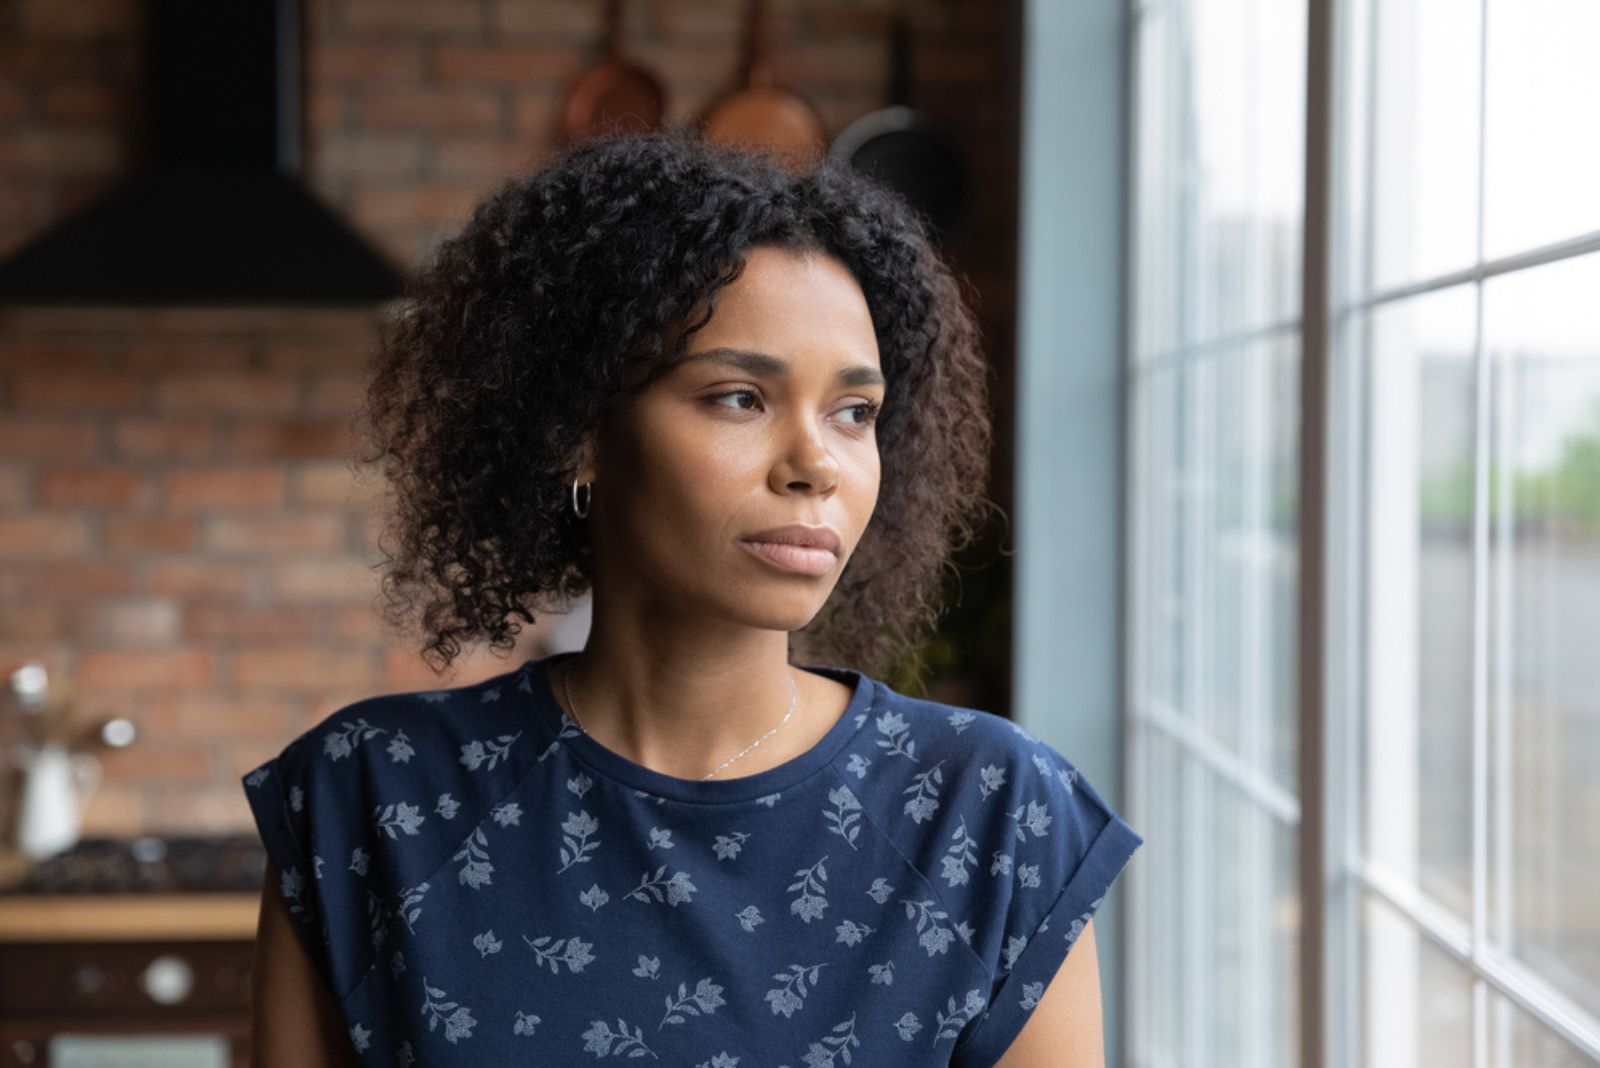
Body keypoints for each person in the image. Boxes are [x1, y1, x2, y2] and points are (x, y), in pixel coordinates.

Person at [240, 126, 1141, 1067]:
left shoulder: (992, 813)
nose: (816, 465)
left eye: (855, 413)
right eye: (740, 398)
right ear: (578, 434)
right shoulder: (371, 796)